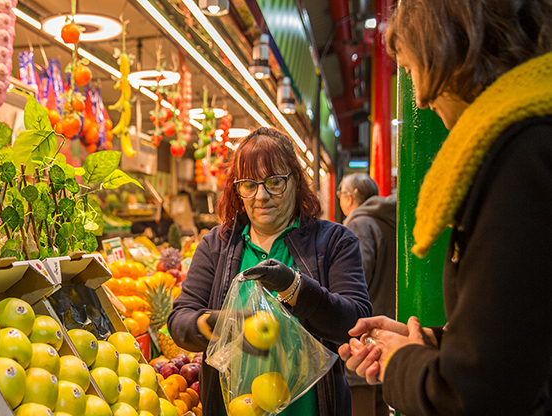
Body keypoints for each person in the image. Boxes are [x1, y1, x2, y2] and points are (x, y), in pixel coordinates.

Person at [339, 0, 552, 415]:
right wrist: (435, 342)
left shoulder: (519, 160)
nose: (418, 98)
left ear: (451, 52)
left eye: (415, 69)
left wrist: (402, 363)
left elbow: (474, 392)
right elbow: (523, 332)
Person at [168, 127, 372, 416]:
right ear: (237, 190)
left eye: (275, 182)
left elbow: (356, 320)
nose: (261, 196)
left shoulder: (334, 241)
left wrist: (295, 288)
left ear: (295, 181)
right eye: (249, 185)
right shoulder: (217, 245)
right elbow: (179, 319)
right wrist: (216, 325)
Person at [337, 173, 396, 416]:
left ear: (349, 198)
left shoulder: (358, 225)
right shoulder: (389, 221)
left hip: (364, 336)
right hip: (389, 331)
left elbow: (355, 282)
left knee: (361, 405)